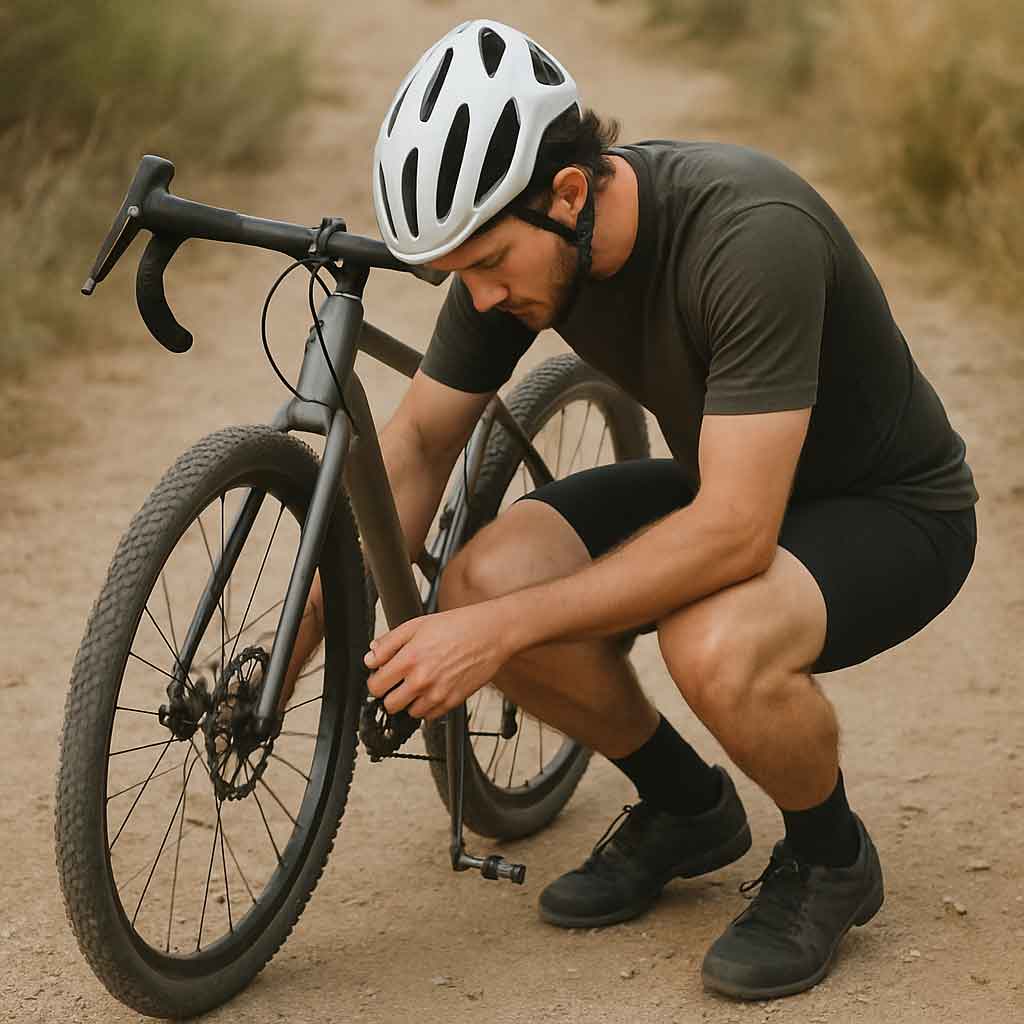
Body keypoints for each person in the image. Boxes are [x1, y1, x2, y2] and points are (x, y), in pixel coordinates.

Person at [308, 20, 979, 1000]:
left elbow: (736, 532)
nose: (481, 296)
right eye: (460, 274)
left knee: (709, 641)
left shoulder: (748, 235)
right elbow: (412, 446)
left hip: (889, 508)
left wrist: (493, 638)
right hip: (728, 479)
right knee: (480, 577)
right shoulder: (524, 251)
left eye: (489, 262)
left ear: (569, 193)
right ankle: (684, 807)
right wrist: (300, 649)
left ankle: (831, 858)